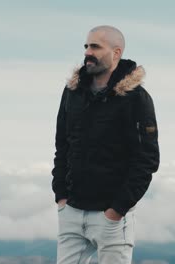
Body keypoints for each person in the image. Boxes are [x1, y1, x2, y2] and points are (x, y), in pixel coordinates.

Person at [51, 25, 160, 264]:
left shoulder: (136, 99)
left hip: (111, 217)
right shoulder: (72, 92)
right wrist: (61, 195)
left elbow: (148, 159)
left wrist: (116, 210)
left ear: (116, 52)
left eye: (96, 46)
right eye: (87, 46)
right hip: (72, 211)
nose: (88, 52)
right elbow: (62, 145)